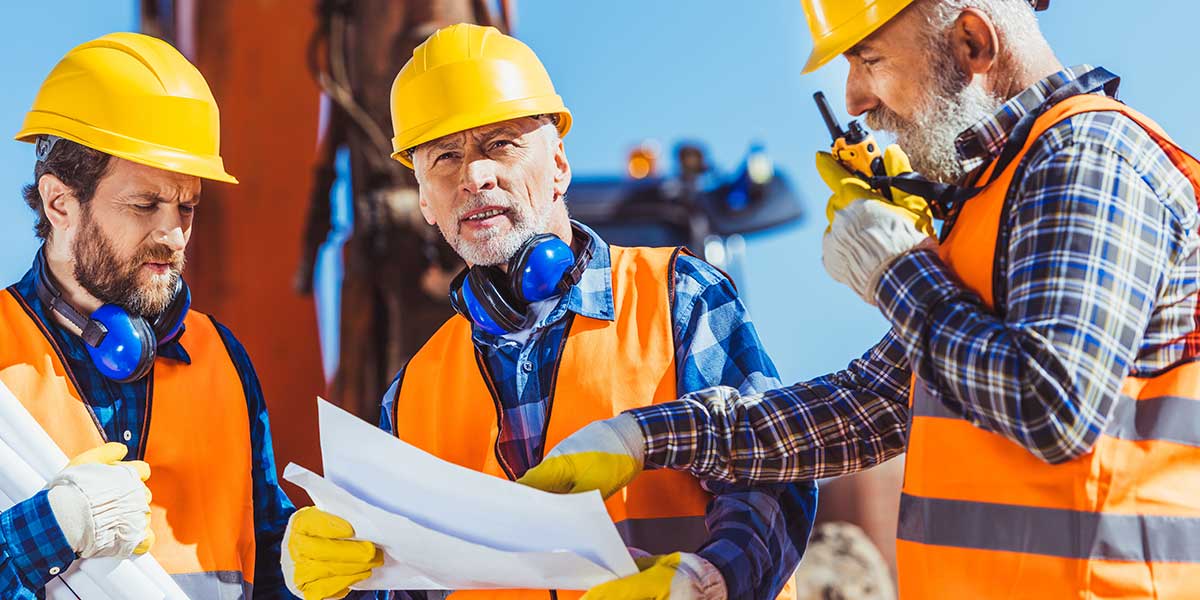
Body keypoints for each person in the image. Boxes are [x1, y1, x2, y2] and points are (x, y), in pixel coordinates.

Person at [520, 1, 1200, 597]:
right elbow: (867, 405)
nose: (852, 99)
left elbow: (1052, 403)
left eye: (868, 58)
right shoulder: (1002, 191)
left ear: (972, 42)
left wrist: (897, 272)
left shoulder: (1088, 158)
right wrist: (642, 437)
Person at [281, 23, 817, 600]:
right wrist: (348, 574)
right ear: (426, 204)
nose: (474, 175)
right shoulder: (413, 394)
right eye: (444, 156)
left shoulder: (680, 298)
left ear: (559, 164)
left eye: (500, 144)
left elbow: (769, 474)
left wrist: (707, 582)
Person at [0, 32, 296, 599]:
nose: (173, 234)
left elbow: (269, 560)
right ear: (60, 203)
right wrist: (50, 529)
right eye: (145, 205)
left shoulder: (225, 362)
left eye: (187, 207)